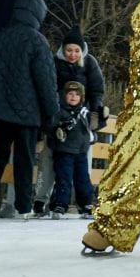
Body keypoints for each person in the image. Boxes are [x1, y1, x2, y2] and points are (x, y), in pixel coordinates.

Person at [0, 0, 59, 220]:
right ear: (37, 14)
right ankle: (24, 207)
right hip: (27, 115)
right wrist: (52, 113)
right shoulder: (37, 41)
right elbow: (46, 81)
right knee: (24, 160)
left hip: (1, 113)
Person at [34, 28, 106, 216]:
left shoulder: (89, 63)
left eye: (76, 51)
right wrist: (52, 115)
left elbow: (97, 89)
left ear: (82, 51)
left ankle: (85, 203)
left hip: (81, 121)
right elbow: (47, 87)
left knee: (82, 169)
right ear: (62, 50)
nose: (72, 54)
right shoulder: (55, 63)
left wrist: (95, 111)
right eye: (69, 50)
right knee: (53, 164)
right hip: (58, 116)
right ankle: (45, 200)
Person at [48, 81, 96, 219]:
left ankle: (86, 204)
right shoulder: (59, 111)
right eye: (70, 94)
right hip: (64, 152)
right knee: (64, 178)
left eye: (77, 94)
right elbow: (51, 126)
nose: (73, 97)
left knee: (83, 179)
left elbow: (94, 125)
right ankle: (60, 204)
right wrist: (58, 130)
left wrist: (100, 116)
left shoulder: (85, 112)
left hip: (81, 152)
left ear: (82, 97)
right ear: (64, 96)